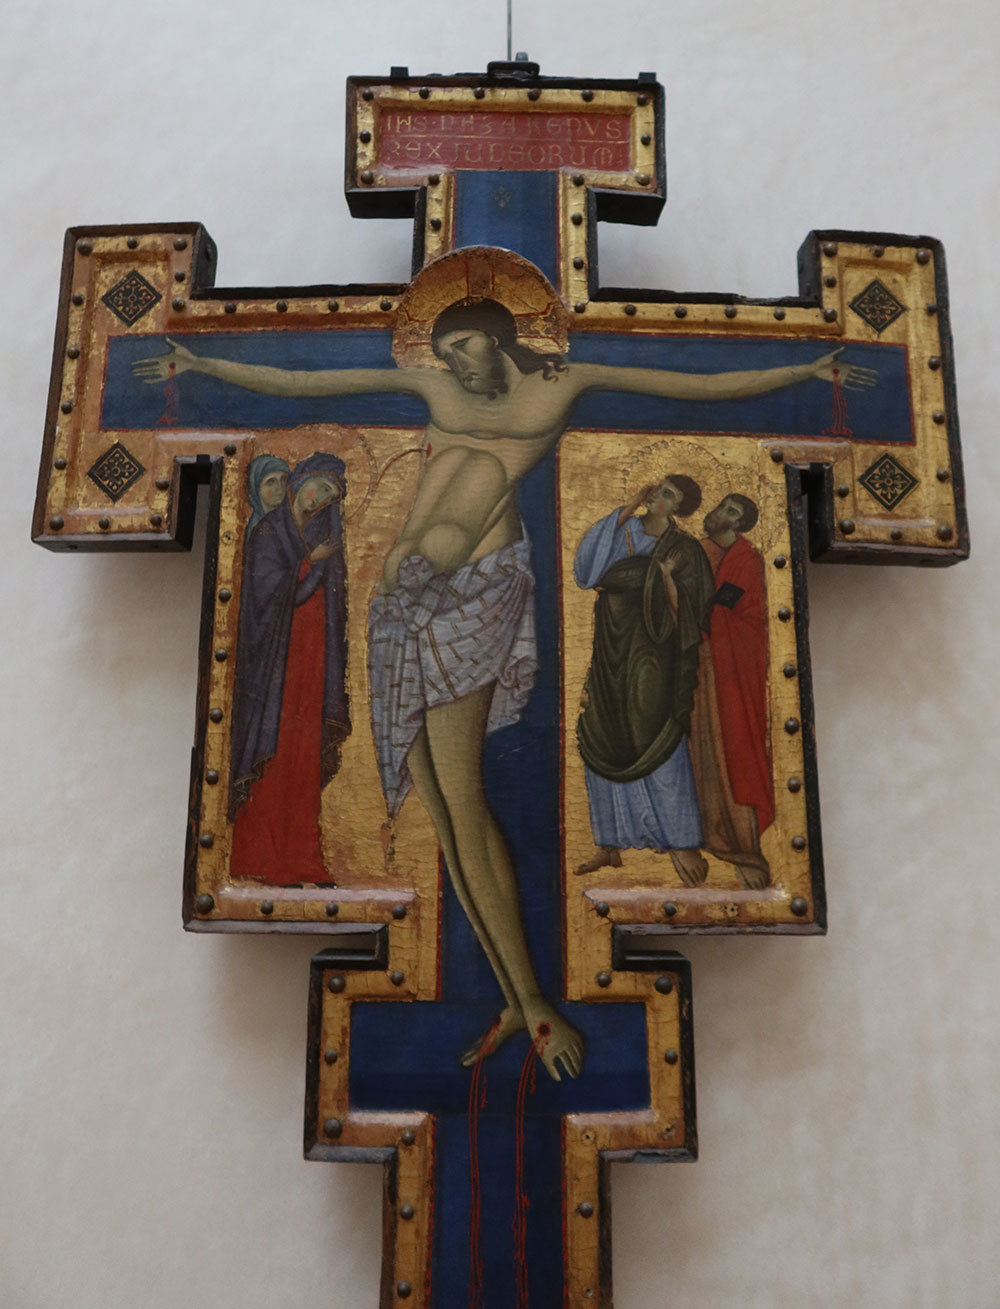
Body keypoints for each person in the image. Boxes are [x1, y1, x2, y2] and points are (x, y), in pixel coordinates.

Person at [134, 298, 874, 1080]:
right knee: (443, 812)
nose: (456, 362)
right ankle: (515, 997)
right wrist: (205, 364)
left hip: (473, 592)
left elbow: (688, 383)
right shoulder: (436, 387)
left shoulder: (557, 387)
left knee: (464, 797)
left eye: (467, 345)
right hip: (401, 607)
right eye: (447, 350)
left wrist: (804, 368)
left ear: (499, 339)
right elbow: (307, 382)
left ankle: (536, 999)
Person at [573, 476, 714, 885]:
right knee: (605, 728)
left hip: (655, 652)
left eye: (668, 495)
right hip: (611, 646)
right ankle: (609, 842)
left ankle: (682, 841)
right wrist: (631, 503)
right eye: (658, 488)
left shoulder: (683, 549)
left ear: (679, 509)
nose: (657, 496)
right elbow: (586, 573)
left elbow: (696, 610)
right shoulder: (621, 530)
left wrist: (665, 576)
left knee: (654, 731)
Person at [229, 453, 350, 885]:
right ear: (302, 481)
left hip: (309, 661)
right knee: (275, 752)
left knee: (302, 754)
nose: (320, 498)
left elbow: (329, 602)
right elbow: (272, 595)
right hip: (273, 667)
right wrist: (312, 562)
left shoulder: (320, 534)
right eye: (319, 487)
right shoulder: (268, 532)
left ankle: (301, 858)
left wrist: (318, 561)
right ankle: (260, 858)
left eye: (330, 495)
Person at [688, 493, 773, 889]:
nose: (721, 514)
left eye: (732, 512)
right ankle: (703, 835)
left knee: (731, 750)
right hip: (698, 663)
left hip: (729, 668)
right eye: (723, 506)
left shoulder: (745, 560)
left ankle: (742, 847)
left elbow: (726, 607)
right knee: (700, 750)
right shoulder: (697, 550)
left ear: (740, 524)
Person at [243, 454, 290, 544]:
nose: (280, 488)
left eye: (284, 480)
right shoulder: (258, 529)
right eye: (271, 482)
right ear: (256, 488)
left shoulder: (289, 523)